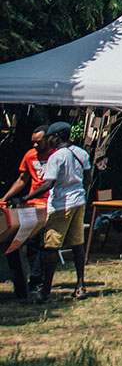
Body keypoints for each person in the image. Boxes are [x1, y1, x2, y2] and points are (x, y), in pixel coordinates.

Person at [16, 123, 90, 303]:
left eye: (50, 137)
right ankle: (80, 284)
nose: (48, 140)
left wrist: (24, 198)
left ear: (57, 137)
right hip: (79, 202)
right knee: (77, 243)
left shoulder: (56, 157)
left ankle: (46, 291)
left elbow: (48, 184)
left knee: (51, 247)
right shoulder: (81, 153)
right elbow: (87, 179)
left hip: (60, 205)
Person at [2, 126, 49, 299]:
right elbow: (23, 179)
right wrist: (5, 198)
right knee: (30, 243)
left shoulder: (57, 156)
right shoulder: (30, 155)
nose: (35, 146)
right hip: (33, 205)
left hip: (51, 204)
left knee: (44, 244)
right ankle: (33, 281)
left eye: (39, 142)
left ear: (48, 139)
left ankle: (38, 281)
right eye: (33, 143)